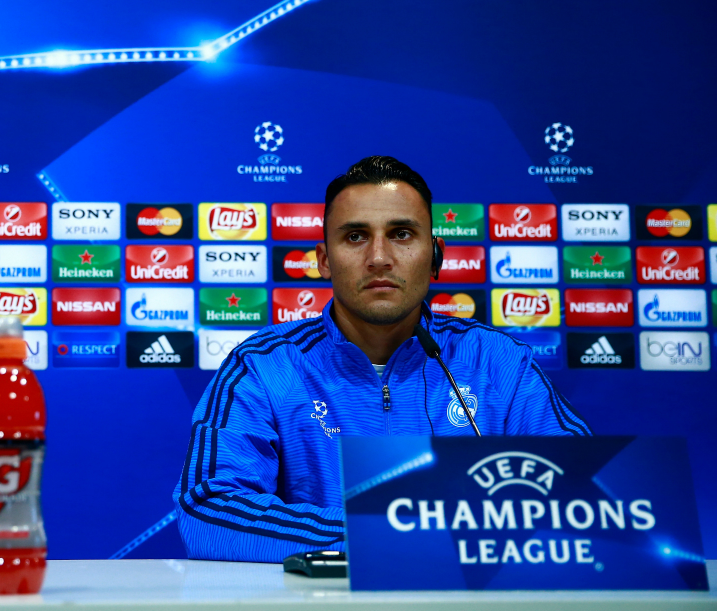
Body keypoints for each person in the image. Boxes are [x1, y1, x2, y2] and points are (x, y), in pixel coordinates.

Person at [173, 156, 592, 563]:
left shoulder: (499, 363)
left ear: (436, 257)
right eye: (355, 236)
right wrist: (390, 532)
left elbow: (587, 495)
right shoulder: (264, 367)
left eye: (402, 234)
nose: (378, 257)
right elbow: (209, 509)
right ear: (323, 260)